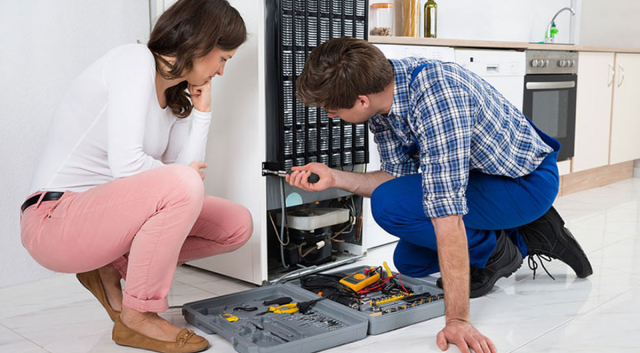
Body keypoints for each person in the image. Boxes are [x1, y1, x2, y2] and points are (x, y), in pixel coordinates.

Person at [287, 37, 593, 353]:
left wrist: (457, 320)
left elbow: (446, 214)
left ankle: (511, 246)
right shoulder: (385, 97)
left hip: (525, 183)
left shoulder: (439, 101)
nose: (330, 115)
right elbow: (396, 178)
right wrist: (334, 177)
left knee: (388, 204)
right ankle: (524, 231)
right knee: (409, 261)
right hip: (483, 179)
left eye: (332, 109)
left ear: (362, 100)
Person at [19, 1, 252, 352]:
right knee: (181, 183)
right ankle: (138, 316)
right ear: (201, 44)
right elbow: (137, 169)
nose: (220, 72)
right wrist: (181, 177)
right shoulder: (133, 60)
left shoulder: (173, 95)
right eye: (223, 59)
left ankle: (112, 266)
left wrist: (202, 113)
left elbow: (186, 186)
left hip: (104, 222)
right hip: (53, 219)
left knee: (236, 224)